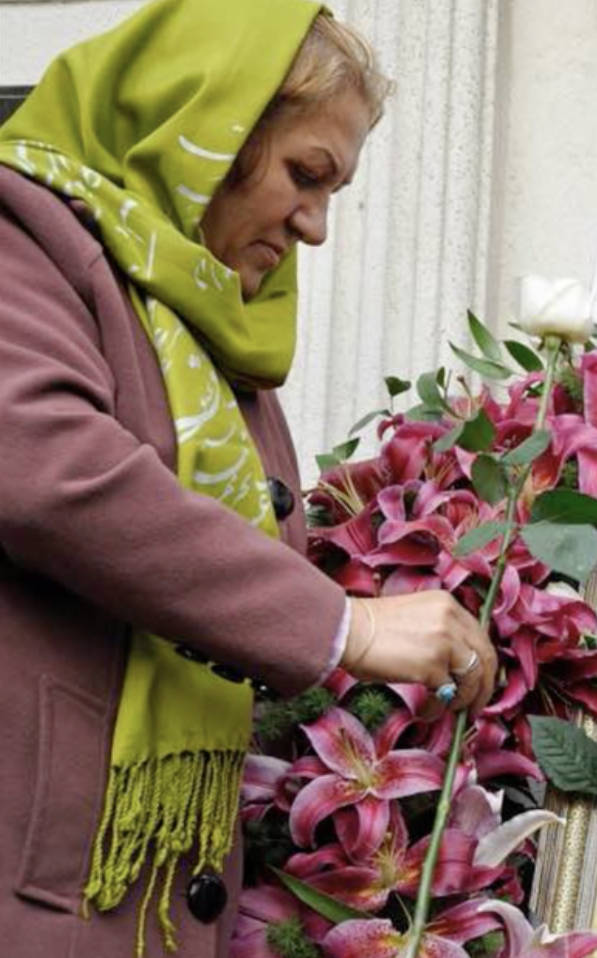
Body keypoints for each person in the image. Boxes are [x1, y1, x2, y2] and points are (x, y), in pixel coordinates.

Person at [0, 2, 497, 955]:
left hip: (146, 883)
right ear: (205, 125)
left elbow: (228, 556)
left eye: (334, 191)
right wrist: (346, 626)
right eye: (305, 175)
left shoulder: (208, 319)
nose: (313, 226)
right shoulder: (22, 233)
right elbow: (47, 468)